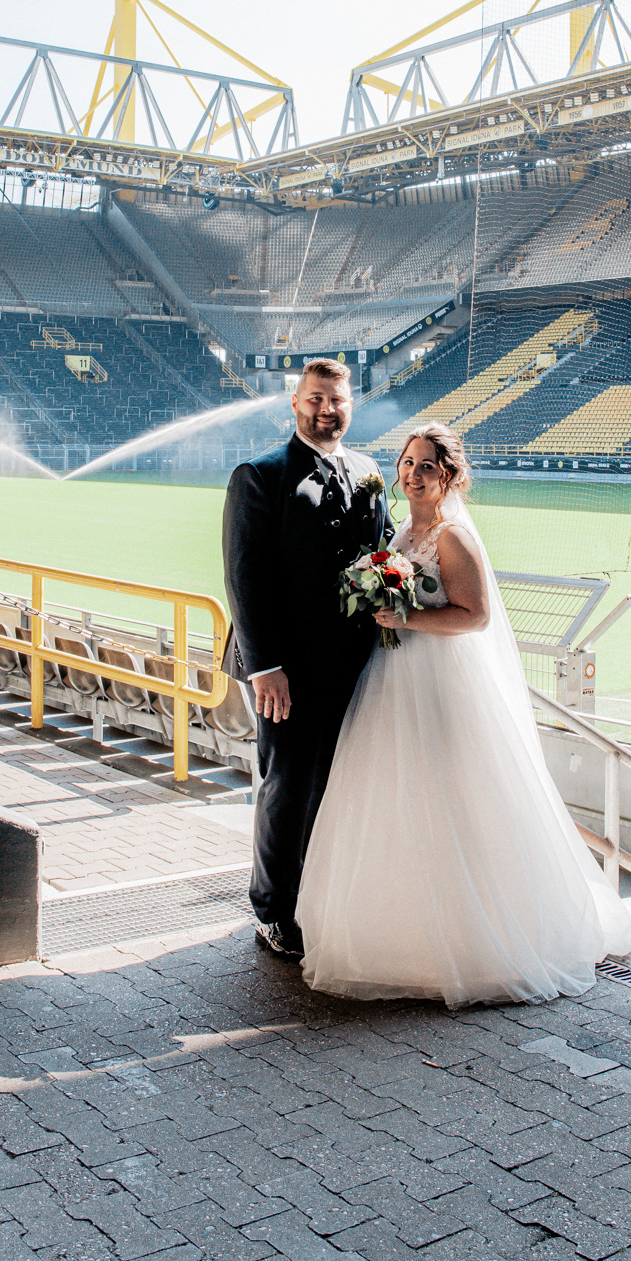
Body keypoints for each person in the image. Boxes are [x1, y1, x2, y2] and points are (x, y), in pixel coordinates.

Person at [296, 421, 631, 1007]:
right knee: (395, 796)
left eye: (428, 465)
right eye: (408, 462)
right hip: (393, 682)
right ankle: (399, 932)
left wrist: (408, 620)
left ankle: (473, 939)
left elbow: (473, 618)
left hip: (442, 684)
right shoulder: (400, 531)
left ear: (449, 476)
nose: (413, 474)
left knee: (451, 799)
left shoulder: (453, 538)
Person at [222, 360, 392, 961]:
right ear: (294, 404)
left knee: (340, 782)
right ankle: (273, 912)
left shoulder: (370, 471)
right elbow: (245, 577)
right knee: (289, 786)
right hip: (286, 671)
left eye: (338, 400)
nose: (328, 410)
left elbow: (384, 550)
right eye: (316, 399)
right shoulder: (261, 476)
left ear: (352, 406)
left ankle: (320, 894)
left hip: (357, 663)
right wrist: (264, 664)